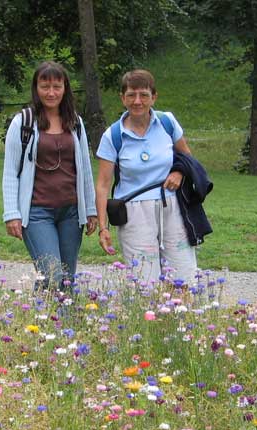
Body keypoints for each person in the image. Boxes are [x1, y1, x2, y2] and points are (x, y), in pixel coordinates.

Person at [95, 69, 198, 284]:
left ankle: (182, 317)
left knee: (183, 277)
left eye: (144, 95)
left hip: (172, 206)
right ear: (122, 98)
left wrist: (179, 172)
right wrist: (103, 228)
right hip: (134, 212)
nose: (137, 101)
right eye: (131, 95)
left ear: (154, 97)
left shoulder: (167, 122)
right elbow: (103, 185)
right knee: (144, 283)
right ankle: (149, 317)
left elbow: (187, 157)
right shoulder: (112, 135)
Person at [3, 61, 97, 289]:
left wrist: (91, 210)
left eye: (57, 86)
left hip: (71, 213)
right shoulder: (23, 122)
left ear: (65, 88)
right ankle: (42, 321)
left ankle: (65, 323)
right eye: (45, 86)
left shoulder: (75, 122)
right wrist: (11, 213)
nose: (51, 92)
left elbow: (84, 169)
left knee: (66, 279)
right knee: (51, 275)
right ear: (36, 88)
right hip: (37, 212)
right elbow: (10, 172)